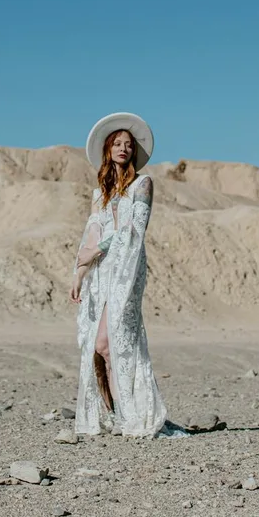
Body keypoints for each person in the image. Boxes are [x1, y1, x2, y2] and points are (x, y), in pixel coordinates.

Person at [70, 112, 182, 438]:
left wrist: (97, 250)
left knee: (112, 342)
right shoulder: (99, 193)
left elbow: (134, 231)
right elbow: (90, 234)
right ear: (108, 149)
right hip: (101, 273)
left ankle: (133, 414)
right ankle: (117, 414)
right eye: (117, 144)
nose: (123, 148)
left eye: (128, 145)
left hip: (127, 270)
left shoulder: (142, 185)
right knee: (97, 346)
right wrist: (80, 272)